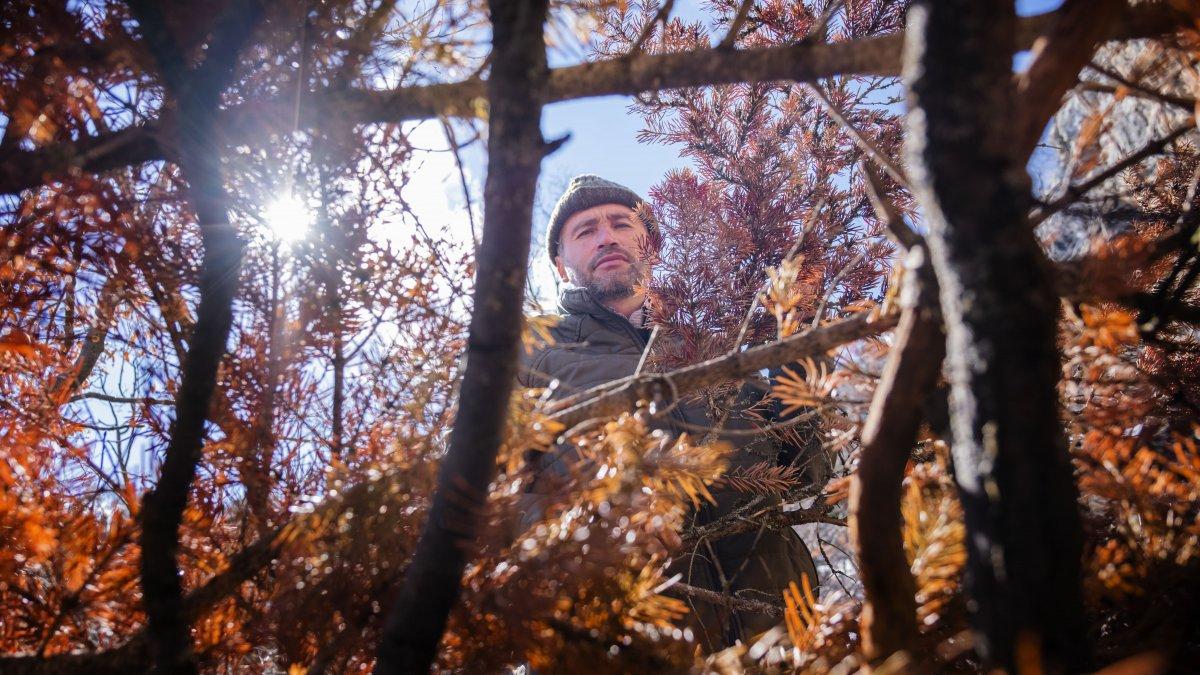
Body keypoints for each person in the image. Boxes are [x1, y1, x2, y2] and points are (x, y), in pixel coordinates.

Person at [517, 174, 826, 651]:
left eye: (622, 223)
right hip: (617, 632)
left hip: (775, 626)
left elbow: (803, 472)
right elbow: (477, 492)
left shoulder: (715, 351)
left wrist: (801, 337)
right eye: (585, 231)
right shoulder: (528, 354)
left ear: (651, 246)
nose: (607, 237)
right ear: (561, 266)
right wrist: (589, 528)